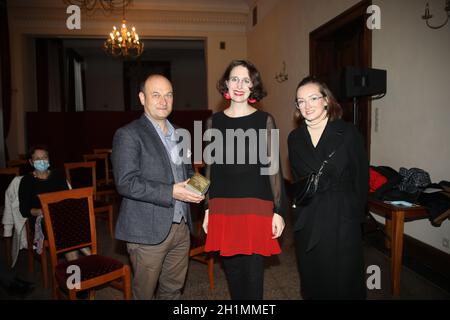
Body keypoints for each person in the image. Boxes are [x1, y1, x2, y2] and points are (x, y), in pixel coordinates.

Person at [112, 74, 204, 300]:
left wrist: (204, 186)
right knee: (144, 294)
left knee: (173, 290)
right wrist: (171, 191)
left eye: (168, 95)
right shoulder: (128, 134)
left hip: (181, 228)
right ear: (142, 98)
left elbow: (189, 174)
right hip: (146, 231)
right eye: (156, 95)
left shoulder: (181, 134)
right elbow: (126, 182)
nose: (164, 101)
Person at [202, 60, 287, 300]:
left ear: (253, 86)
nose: (240, 85)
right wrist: (207, 209)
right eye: (235, 79)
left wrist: (278, 211)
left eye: (246, 80)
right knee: (233, 274)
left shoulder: (265, 120)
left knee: (253, 278)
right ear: (226, 84)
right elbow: (211, 170)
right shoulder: (213, 122)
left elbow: (273, 169)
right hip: (223, 209)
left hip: (255, 209)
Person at [288, 76, 369, 299]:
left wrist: (355, 214)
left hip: (342, 217)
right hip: (309, 216)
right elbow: (299, 179)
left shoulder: (348, 133)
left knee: (343, 282)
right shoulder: (294, 138)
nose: (307, 105)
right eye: (300, 101)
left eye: (313, 98)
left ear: (326, 100)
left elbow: (361, 178)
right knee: (313, 279)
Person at [18, 145, 89, 261]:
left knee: (70, 225)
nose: (42, 161)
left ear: (49, 160)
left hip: (62, 216)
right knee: (67, 230)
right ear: (31, 162)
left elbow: (68, 199)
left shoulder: (58, 175)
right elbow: (24, 210)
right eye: (37, 159)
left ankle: (79, 272)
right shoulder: (26, 181)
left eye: (44, 157)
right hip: (41, 220)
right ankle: (91, 258)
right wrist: (43, 211)